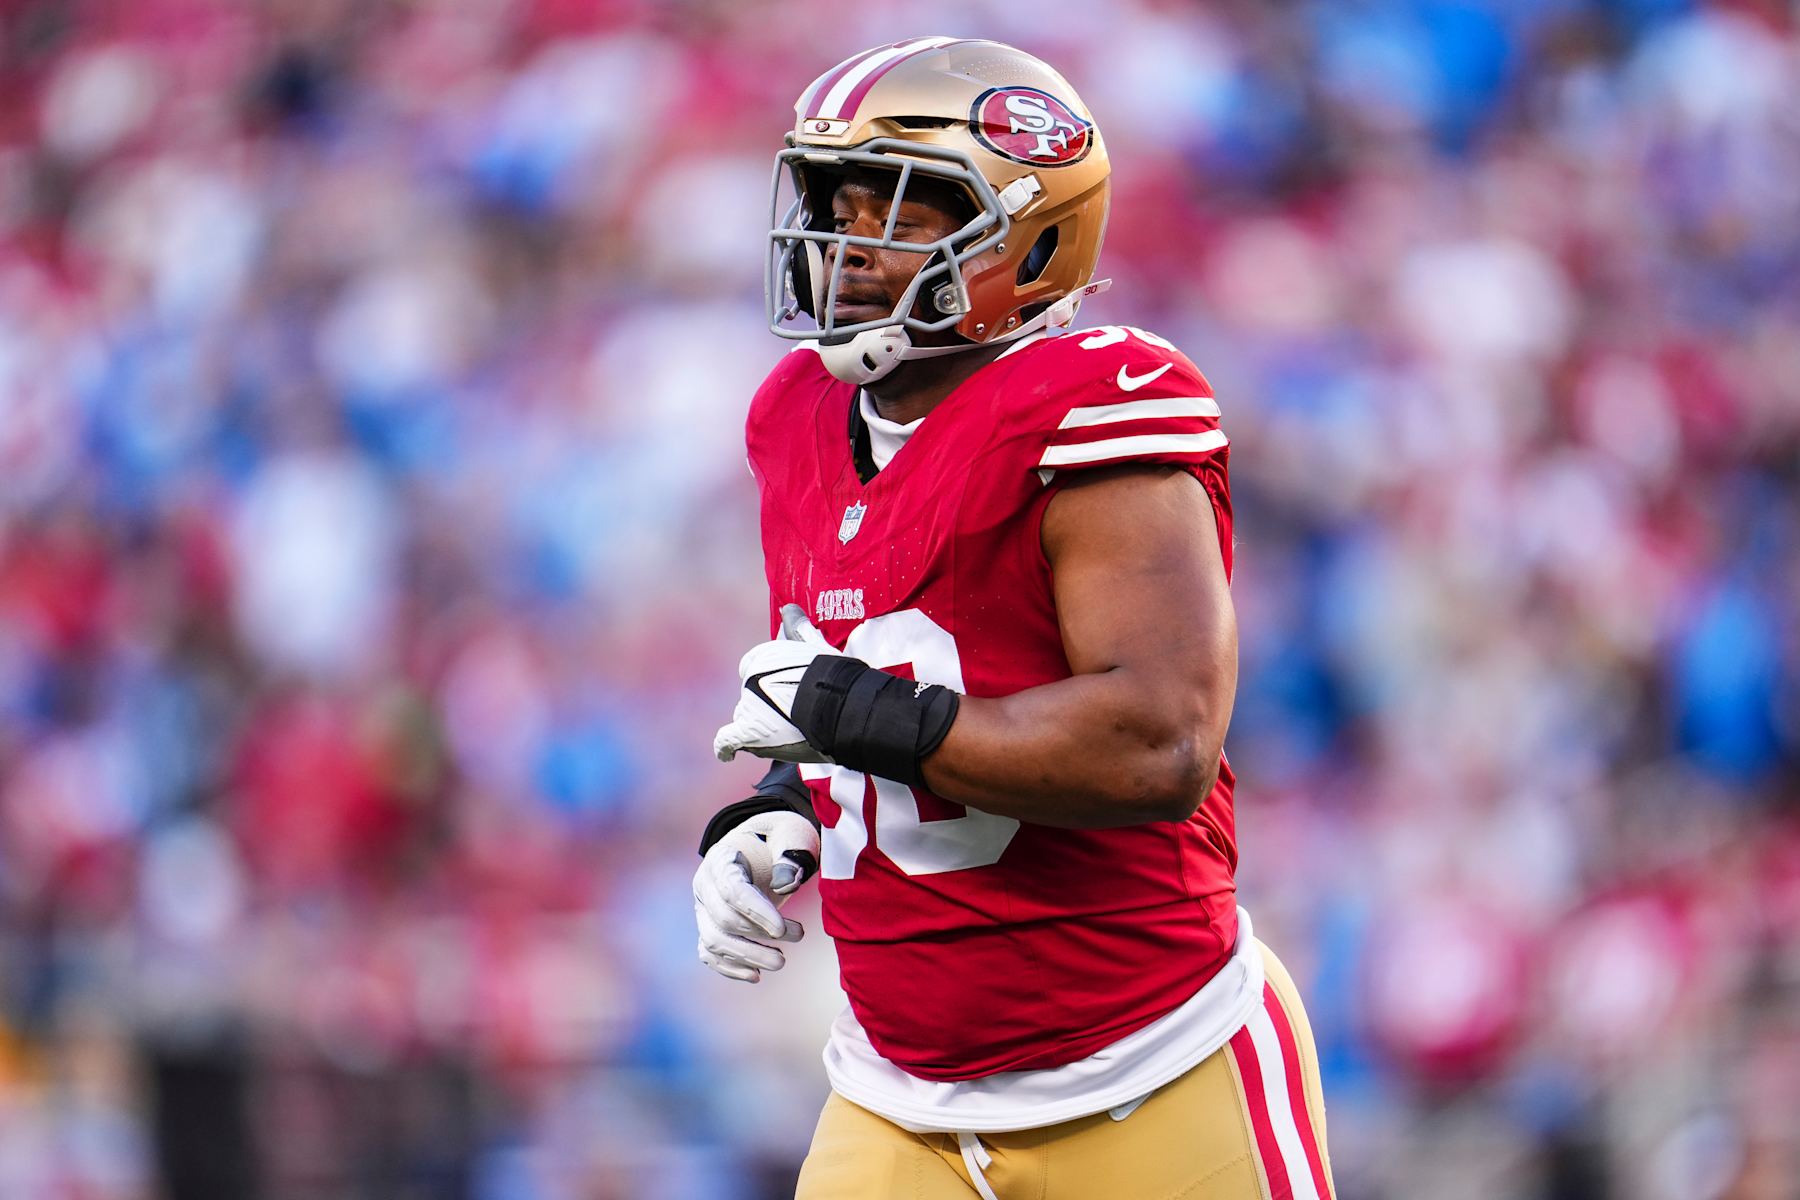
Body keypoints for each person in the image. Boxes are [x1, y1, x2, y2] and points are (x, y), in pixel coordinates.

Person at [692, 37, 1335, 1200]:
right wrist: (785, 813)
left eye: (892, 214)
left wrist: (850, 716)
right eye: (831, 205)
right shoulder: (796, 415)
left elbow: (1158, 743)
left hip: (1151, 1070)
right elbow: (850, 669)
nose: (842, 248)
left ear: (1027, 237)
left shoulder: (1093, 405)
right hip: (894, 1094)